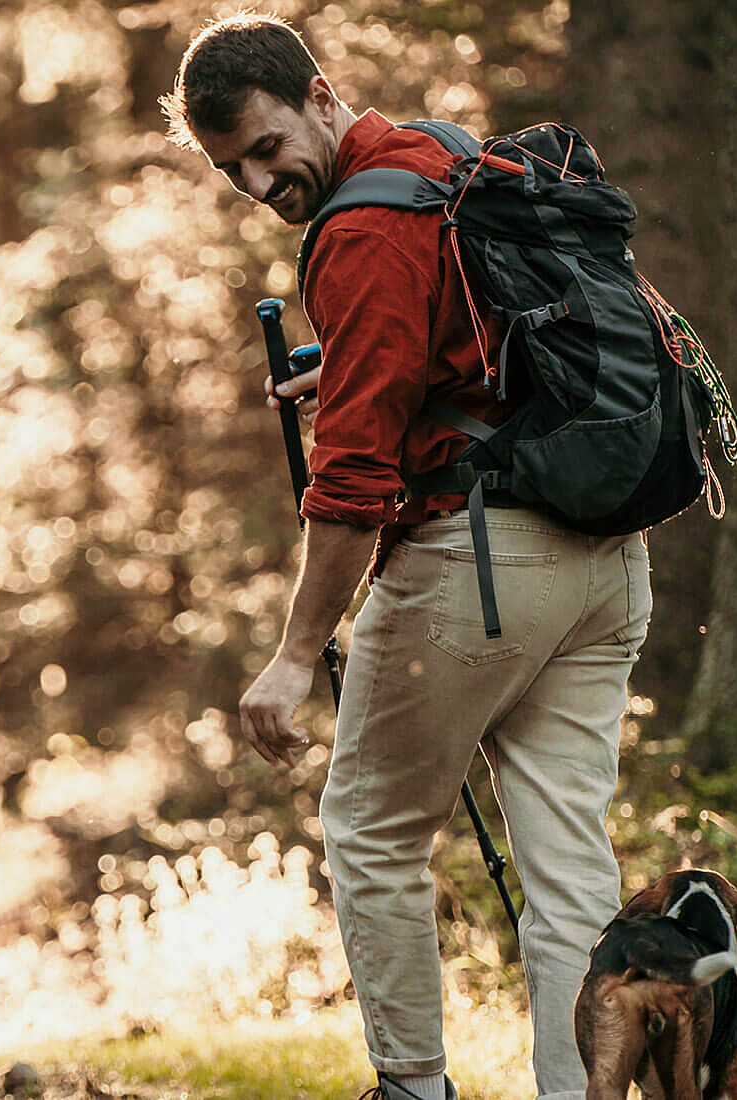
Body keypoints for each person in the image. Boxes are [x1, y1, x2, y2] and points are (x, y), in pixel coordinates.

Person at [161, 15, 651, 1100]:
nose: (255, 181)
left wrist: (296, 651)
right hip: (604, 558)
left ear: (319, 93)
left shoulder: (360, 230)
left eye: (264, 146)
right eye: (229, 167)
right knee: (568, 862)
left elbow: (352, 478)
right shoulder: (445, 159)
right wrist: (344, 360)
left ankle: (413, 1087)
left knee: (370, 829)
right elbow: (474, 347)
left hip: (478, 564)